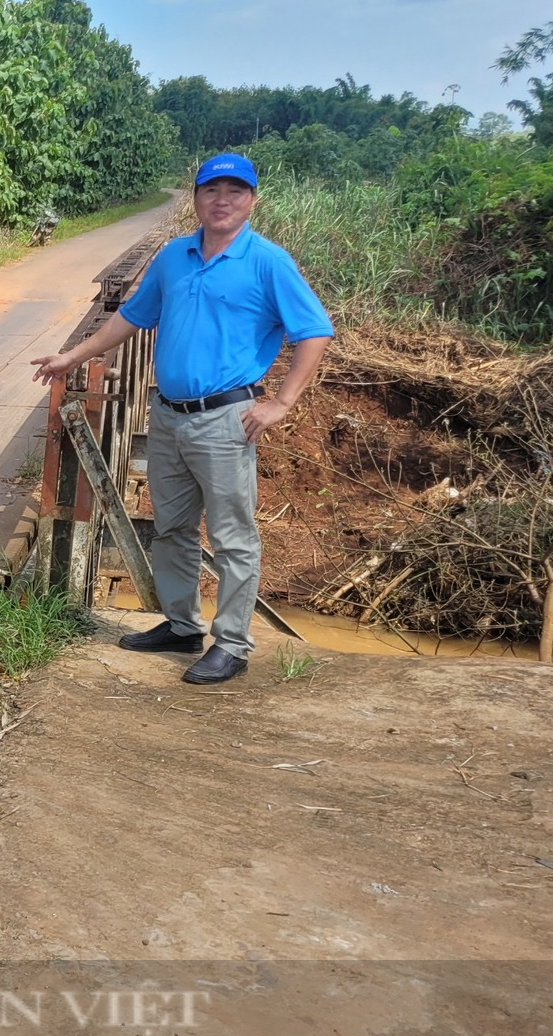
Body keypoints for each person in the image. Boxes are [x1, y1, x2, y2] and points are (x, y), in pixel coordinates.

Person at [29, 153, 333, 685]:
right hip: (167, 415)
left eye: (235, 191)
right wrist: (73, 357)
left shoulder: (268, 262)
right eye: (212, 190)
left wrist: (281, 402)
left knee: (233, 534)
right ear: (195, 198)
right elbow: (131, 317)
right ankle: (181, 625)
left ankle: (233, 644)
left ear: (252, 201)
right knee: (171, 529)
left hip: (226, 418)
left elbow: (314, 332)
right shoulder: (173, 257)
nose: (223, 200)